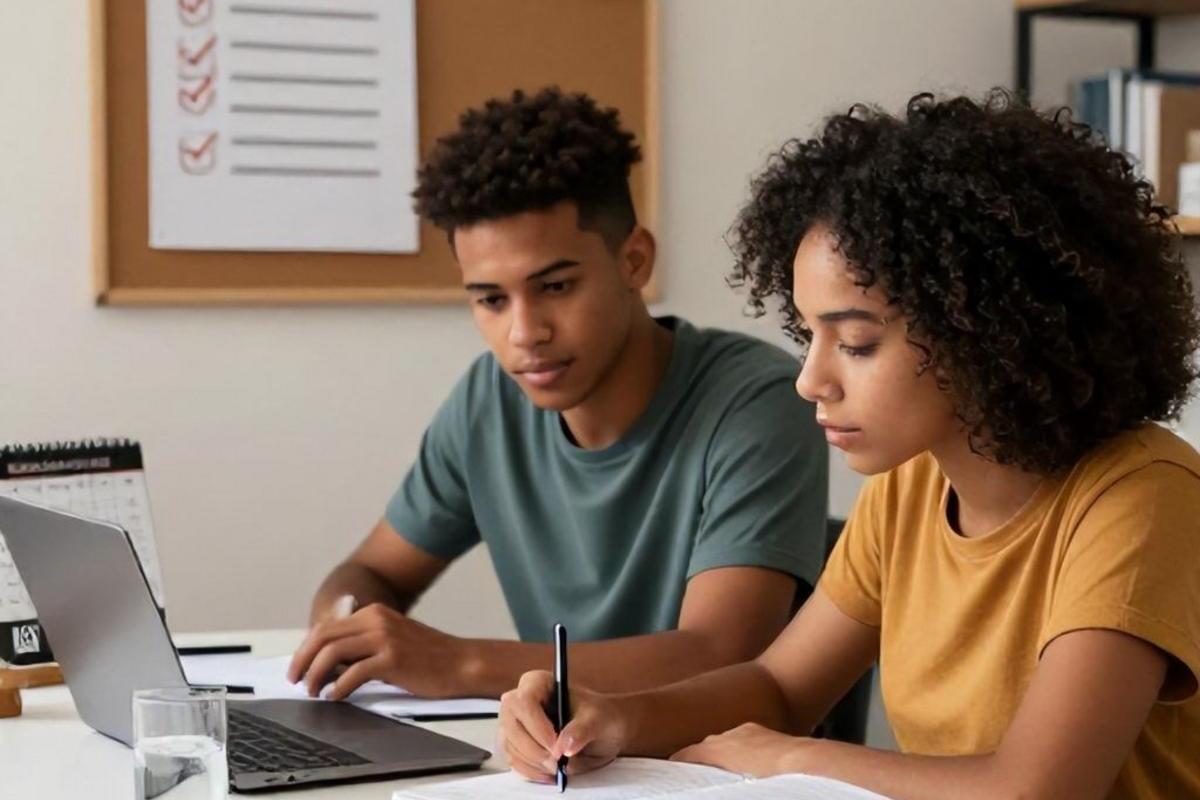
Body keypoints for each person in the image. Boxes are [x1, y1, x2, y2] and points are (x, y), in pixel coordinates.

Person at [497, 90, 1200, 799]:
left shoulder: (1142, 499)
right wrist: (615, 718)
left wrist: (793, 759)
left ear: (985, 329)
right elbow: (777, 687)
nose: (811, 381)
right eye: (811, 337)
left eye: (857, 343)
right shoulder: (909, 491)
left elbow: (1036, 790)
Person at [287, 87, 828, 701]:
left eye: (557, 286)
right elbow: (373, 570)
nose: (525, 334)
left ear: (635, 261)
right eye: (491, 299)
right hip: (558, 765)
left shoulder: (758, 401)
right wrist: (346, 619)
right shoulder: (488, 403)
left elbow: (722, 653)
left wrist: (462, 664)